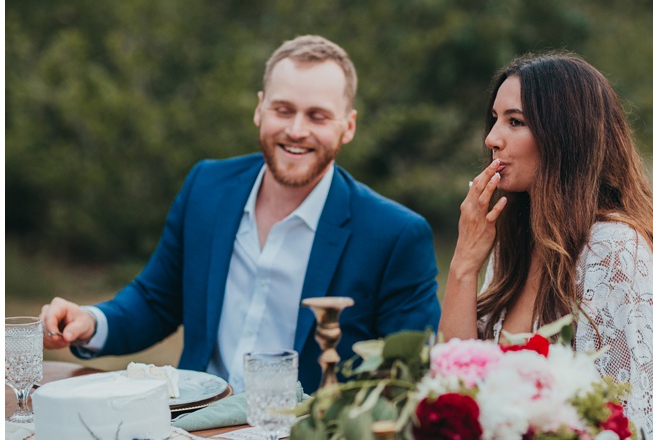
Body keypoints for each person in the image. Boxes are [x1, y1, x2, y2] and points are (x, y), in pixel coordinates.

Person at [39, 35, 442, 394]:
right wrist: (91, 321)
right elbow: (157, 300)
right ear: (259, 110)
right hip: (193, 431)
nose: (297, 130)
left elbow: (405, 380)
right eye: (283, 110)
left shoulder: (396, 235)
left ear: (348, 126)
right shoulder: (206, 187)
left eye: (317, 116)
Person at [439, 52, 653, 440]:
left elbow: (631, 431)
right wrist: (464, 264)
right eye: (495, 119)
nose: (492, 138)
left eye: (515, 122)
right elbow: (453, 390)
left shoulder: (614, 252)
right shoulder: (516, 240)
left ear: (564, 136)